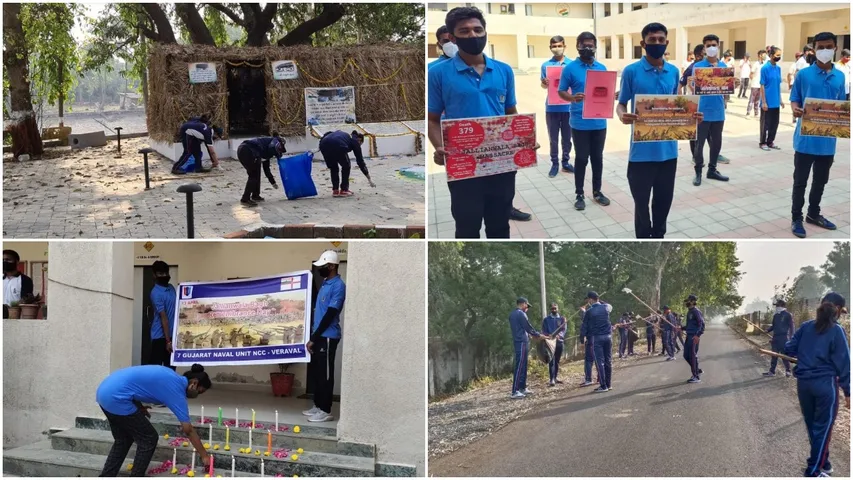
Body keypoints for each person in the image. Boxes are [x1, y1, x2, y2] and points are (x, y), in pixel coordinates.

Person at [428, 7, 538, 238]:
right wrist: (439, 147)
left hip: (501, 164)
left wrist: (524, 141)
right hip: (464, 166)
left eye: (478, 29)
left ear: (485, 32)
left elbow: (511, 113)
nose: (473, 35)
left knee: (500, 227)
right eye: (464, 31)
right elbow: (432, 119)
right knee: (467, 228)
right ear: (453, 36)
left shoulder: (504, 71)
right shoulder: (437, 73)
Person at [617, 22, 702, 238]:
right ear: (642, 43)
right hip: (640, 155)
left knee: (663, 204)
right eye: (652, 40)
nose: (656, 43)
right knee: (641, 206)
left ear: (667, 42)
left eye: (660, 40)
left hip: (668, 154)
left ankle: (660, 237)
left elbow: (676, 106)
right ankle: (644, 239)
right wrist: (621, 115)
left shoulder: (673, 72)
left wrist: (691, 118)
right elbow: (621, 103)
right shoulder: (631, 72)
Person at [96, 364, 212, 477]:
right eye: (200, 391)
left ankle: (107, 475)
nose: (197, 395)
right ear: (194, 383)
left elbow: (133, 385)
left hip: (104, 393)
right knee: (149, 438)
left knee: (123, 440)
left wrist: (139, 407)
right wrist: (204, 455)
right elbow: (188, 429)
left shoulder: (171, 375)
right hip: (117, 399)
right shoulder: (176, 390)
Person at [784, 292, 850, 477]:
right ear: (837, 310)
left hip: (804, 385)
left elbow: (789, 348)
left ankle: (825, 462)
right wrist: (848, 391)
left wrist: (804, 356)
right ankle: (813, 471)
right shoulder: (837, 331)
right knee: (823, 428)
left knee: (813, 425)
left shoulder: (805, 327)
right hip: (825, 386)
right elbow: (844, 363)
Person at [789, 32, 846, 238]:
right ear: (814, 49)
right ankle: (796, 218)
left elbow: (842, 105)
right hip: (805, 140)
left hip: (827, 142)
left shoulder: (841, 76)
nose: (824, 51)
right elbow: (794, 98)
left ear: (835, 49)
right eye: (820, 47)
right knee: (800, 181)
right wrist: (796, 109)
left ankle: (813, 214)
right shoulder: (803, 74)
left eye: (828, 46)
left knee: (821, 180)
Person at [558, 31, 610, 210]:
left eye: (591, 45)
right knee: (581, 158)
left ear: (596, 47)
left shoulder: (602, 68)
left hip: (599, 122)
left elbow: (604, 91)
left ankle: (597, 191)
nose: (588, 48)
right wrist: (572, 98)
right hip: (580, 122)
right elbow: (561, 91)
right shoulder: (570, 68)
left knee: (598, 158)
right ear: (578, 47)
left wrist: (612, 96)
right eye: (584, 45)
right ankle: (579, 193)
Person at [304, 250, 345, 422]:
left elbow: (330, 314)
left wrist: (315, 337)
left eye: (323, 266)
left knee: (326, 375)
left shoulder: (338, 286)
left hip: (327, 336)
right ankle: (318, 405)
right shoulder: (325, 283)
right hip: (319, 334)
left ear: (332, 266)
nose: (320, 269)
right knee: (318, 373)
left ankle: (326, 410)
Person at [692, 34, 729, 186]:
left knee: (716, 143)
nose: (711, 48)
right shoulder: (698, 67)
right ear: (704, 48)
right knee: (699, 143)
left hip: (718, 111)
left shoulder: (724, 68)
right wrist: (692, 84)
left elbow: (726, 91)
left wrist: (733, 85)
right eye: (708, 45)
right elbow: (694, 89)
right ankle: (698, 172)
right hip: (702, 112)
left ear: (718, 47)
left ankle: (712, 170)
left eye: (713, 45)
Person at [541, 35, 574, 178]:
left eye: (559, 45)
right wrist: (544, 83)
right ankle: (554, 164)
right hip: (552, 107)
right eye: (554, 46)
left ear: (565, 46)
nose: (557, 48)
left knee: (567, 138)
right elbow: (543, 86)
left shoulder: (571, 65)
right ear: (550, 48)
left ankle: (565, 163)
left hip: (568, 107)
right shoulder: (546, 66)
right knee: (553, 138)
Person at [318, 130, 375, 199]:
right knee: (346, 166)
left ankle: (335, 190)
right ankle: (344, 190)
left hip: (323, 144)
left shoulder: (345, 135)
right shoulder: (355, 141)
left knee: (333, 168)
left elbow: (328, 133)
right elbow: (360, 161)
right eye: (360, 144)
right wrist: (368, 177)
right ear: (359, 140)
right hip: (338, 145)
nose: (359, 145)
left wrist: (321, 144)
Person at [236, 135, 286, 207]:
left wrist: (273, 182)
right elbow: (267, 167)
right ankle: (245, 199)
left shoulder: (267, 148)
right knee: (253, 175)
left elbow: (266, 169)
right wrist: (273, 182)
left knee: (256, 173)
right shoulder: (273, 144)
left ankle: (255, 195)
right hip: (247, 151)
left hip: (245, 150)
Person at [509, 297, 544, 398]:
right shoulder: (521, 314)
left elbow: (522, 328)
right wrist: (537, 334)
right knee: (520, 366)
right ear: (523, 304)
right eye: (527, 305)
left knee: (523, 365)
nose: (527, 308)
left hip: (521, 341)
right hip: (521, 342)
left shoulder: (512, 314)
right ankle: (515, 391)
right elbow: (528, 327)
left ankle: (522, 388)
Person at [580, 291, 613, 393]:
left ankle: (603, 386)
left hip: (597, 338)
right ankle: (608, 384)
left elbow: (584, 327)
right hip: (608, 337)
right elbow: (608, 305)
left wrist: (582, 339)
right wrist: (599, 300)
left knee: (600, 362)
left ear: (590, 299)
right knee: (608, 361)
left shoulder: (589, 312)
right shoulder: (606, 308)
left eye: (588, 300)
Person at [147, 261, 176, 371]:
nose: (164, 276)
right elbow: (164, 318)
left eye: (166, 273)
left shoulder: (172, 288)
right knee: (156, 370)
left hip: (172, 336)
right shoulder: (155, 293)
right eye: (160, 273)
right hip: (160, 337)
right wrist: (168, 341)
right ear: (154, 275)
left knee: (171, 368)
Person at [759, 46, 785, 151]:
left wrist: (781, 100)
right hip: (767, 102)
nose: (779, 57)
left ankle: (770, 141)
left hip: (775, 102)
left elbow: (778, 85)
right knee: (765, 123)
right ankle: (763, 142)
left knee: (775, 123)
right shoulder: (765, 68)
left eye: (780, 55)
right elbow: (762, 85)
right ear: (771, 55)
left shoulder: (778, 69)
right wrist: (764, 102)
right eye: (777, 55)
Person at [763, 299, 794, 377]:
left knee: (784, 355)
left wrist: (791, 338)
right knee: (774, 355)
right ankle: (772, 371)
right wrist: (767, 330)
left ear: (782, 306)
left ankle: (788, 371)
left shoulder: (788, 315)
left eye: (777, 305)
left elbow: (792, 327)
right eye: (776, 306)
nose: (776, 307)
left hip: (784, 338)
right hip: (775, 338)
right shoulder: (776, 315)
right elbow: (773, 326)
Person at [3, 249, 33, 318]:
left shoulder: (25, 280)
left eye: (8, 260)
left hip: (15, 318)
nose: (4, 262)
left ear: (17, 262)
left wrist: (12, 306)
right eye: (3, 260)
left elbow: (26, 300)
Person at [542, 302, 566, 386]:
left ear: (558, 309)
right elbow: (544, 330)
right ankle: (551, 379)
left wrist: (559, 335)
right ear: (550, 309)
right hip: (550, 342)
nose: (554, 310)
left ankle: (555, 377)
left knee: (557, 361)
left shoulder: (562, 319)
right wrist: (547, 335)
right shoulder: (546, 320)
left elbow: (563, 329)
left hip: (559, 342)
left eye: (555, 308)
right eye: (552, 308)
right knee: (551, 360)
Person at [683, 295, 705, 383]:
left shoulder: (696, 311)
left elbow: (702, 324)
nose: (686, 303)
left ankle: (696, 376)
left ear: (692, 301)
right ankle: (697, 369)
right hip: (688, 336)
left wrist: (697, 335)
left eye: (688, 301)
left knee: (692, 356)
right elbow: (689, 326)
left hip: (694, 337)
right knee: (686, 355)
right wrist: (680, 328)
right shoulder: (690, 312)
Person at [747, 50, 767, 116]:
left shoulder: (765, 64)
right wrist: (754, 81)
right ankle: (748, 112)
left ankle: (756, 113)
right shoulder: (756, 64)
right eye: (764, 54)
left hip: (761, 85)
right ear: (760, 55)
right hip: (755, 84)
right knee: (752, 99)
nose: (765, 56)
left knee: (758, 99)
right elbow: (751, 74)